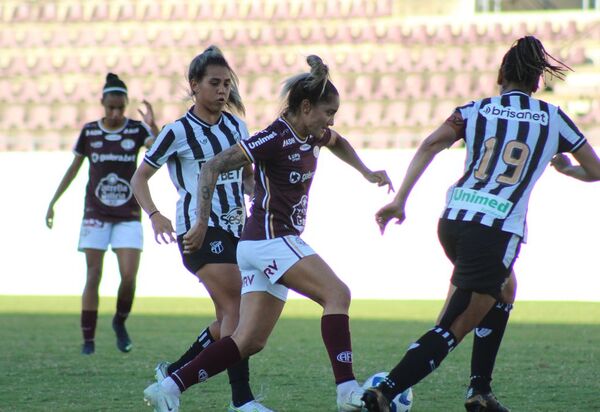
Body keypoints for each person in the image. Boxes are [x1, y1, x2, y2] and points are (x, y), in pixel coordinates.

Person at [142, 55, 393, 412]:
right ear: (305, 108)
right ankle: (347, 392)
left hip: (258, 244)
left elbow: (337, 142)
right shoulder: (274, 137)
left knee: (248, 339)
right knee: (337, 294)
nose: (331, 121)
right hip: (270, 239)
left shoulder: (313, 133)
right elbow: (213, 165)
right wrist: (199, 222)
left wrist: (367, 172)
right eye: (328, 112)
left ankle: (170, 386)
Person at [362, 36, 600, 412]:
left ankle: (480, 392)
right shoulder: (554, 119)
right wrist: (568, 170)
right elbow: (597, 169)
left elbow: (429, 145)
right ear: (538, 81)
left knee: (505, 289)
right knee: (454, 325)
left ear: (501, 75)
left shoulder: (475, 110)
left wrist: (399, 200)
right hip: (496, 230)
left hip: (454, 220)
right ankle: (384, 393)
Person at [131, 46, 270, 412]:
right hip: (198, 232)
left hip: (237, 230)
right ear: (195, 85)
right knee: (237, 307)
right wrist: (155, 214)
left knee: (226, 319)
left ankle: (173, 373)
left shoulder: (237, 126)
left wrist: (260, 197)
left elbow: (246, 176)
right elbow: (139, 177)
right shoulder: (177, 131)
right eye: (214, 83)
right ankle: (242, 401)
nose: (223, 90)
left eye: (227, 84)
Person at [45, 73, 159, 355]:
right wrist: (53, 202)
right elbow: (74, 169)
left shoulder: (136, 130)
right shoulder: (90, 132)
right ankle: (88, 340)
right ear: (102, 103)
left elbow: (157, 150)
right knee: (93, 274)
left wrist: (154, 128)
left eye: (121, 107)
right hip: (95, 212)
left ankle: (119, 323)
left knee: (129, 275)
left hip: (128, 213)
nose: (116, 113)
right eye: (111, 107)